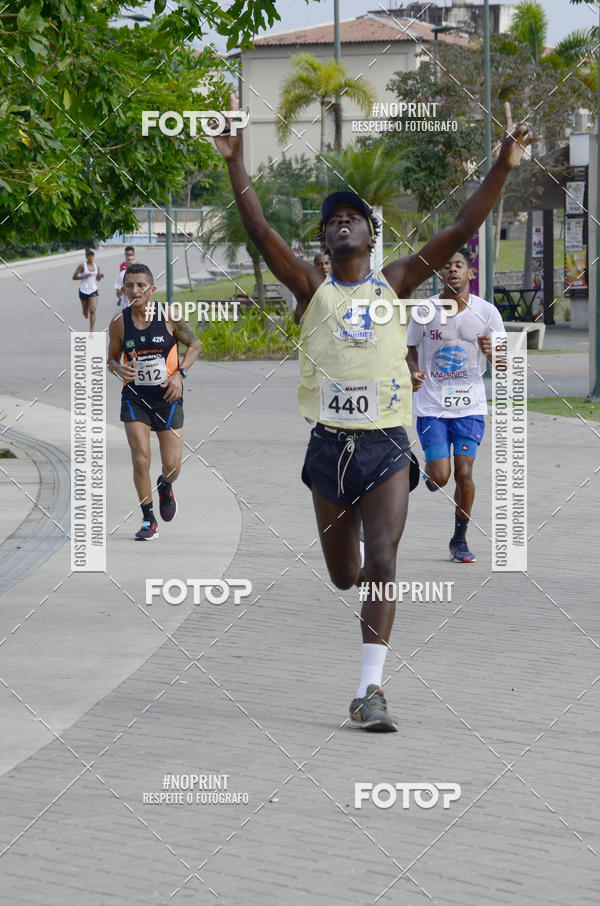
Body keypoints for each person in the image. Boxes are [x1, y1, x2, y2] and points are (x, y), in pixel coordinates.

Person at [213, 102, 534, 731]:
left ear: (369, 234)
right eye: (332, 221)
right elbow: (259, 232)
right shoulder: (312, 287)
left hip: (387, 442)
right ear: (325, 241)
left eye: (352, 219)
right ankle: (356, 572)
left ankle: (370, 690)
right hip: (329, 449)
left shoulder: (397, 282)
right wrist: (236, 162)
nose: (341, 226)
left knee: (384, 558)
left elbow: (466, 220)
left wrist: (503, 163)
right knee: (346, 575)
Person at [407, 248, 507, 563]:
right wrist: (413, 370)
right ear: (440, 274)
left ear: (469, 273)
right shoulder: (425, 311)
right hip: (433, 406)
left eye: (459, 265)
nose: (453, 270)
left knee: (464, 474)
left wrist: (492, 353)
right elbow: (409, 347)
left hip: (470, 406)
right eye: (447, 266)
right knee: (441, 476)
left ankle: (459, 540)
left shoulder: (487, 313)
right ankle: (431, 476)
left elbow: (504, 363)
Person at [107, 263, 200, 540]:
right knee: (140, 459)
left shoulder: (169, 316)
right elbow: (111, 358)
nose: (135, 290)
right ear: (123, 289)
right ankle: (148, 519)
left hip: (169, 398)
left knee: (172, 465)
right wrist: (117, 367)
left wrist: (179, 375)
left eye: (140, 285)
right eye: (129, 285)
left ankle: (165, 485)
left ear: (152, 289)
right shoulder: (119, 322)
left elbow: (195, 345)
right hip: (135, 398)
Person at [73, 249, 103, 331]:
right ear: (86, 256)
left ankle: (91, 331)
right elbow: (74, 277)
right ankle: (85, 312)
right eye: (89, 255)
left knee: (93, 310)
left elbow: (98, 279)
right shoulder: (82, 266)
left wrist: (100, 276)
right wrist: (84, 276)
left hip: (93, 290)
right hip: (83, 290)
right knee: (85, 310)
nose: (91, 257)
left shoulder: (97, 266)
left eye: (92, 255)